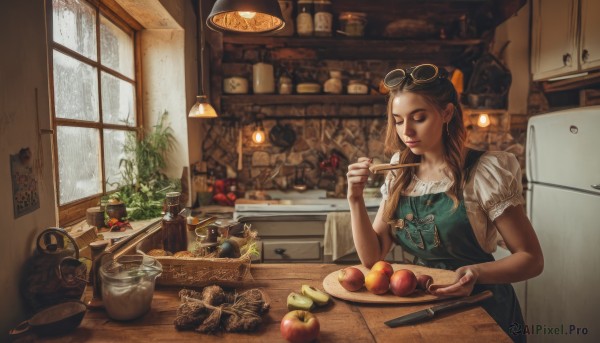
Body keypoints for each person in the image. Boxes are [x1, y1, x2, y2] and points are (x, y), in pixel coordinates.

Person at [346, 64, 543, 342]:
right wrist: (354, 199)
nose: (407, 131)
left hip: (483, 305)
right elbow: (373, 256)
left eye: (419, 117)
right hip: (422, 302)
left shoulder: (484, 171)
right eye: (399, 120)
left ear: (447, 113)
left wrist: (475, 272)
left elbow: (532, 260)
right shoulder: (399, 171)